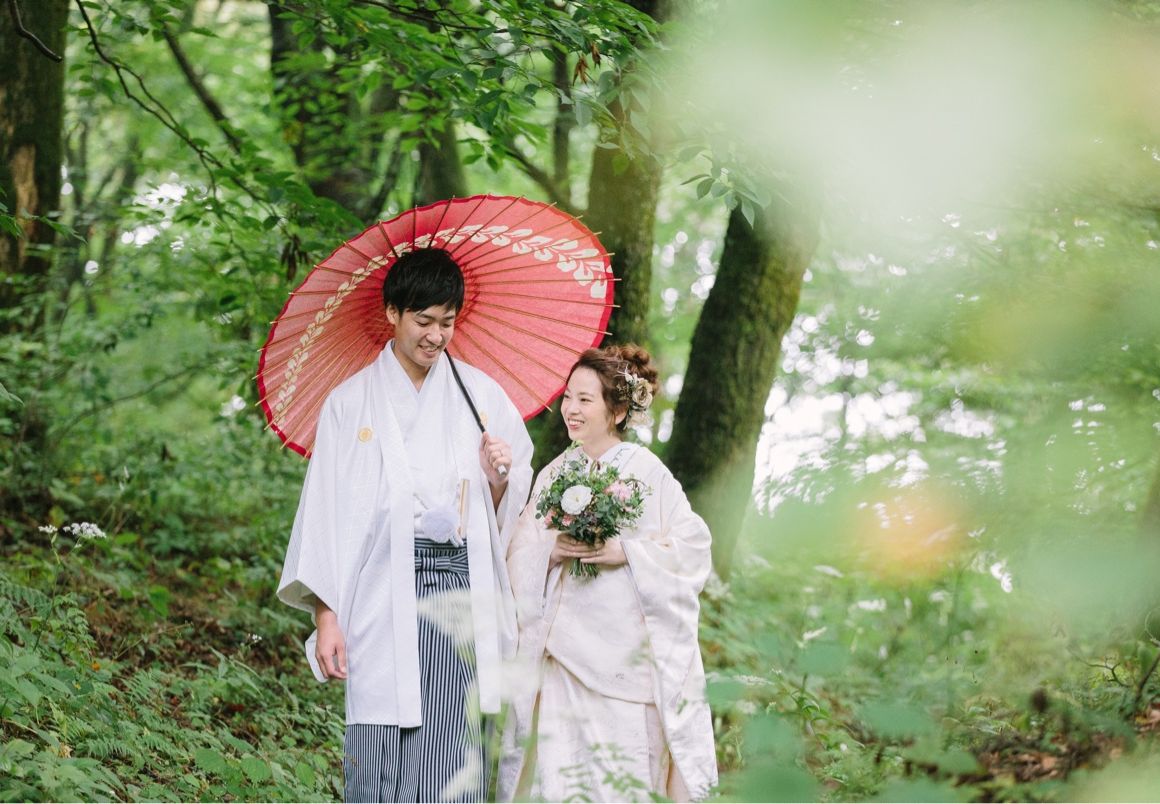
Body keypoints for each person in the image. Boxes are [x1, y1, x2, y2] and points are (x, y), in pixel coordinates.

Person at [277, 248, 534, 803]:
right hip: (379, 592)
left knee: (455, 749)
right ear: (392, 312)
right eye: (424, 320)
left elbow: (506, 511)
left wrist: (497, 478)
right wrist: (326, 617)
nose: (436, 336)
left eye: (448, 322)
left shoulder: (481, 397)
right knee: (381, 740)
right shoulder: (349, 403)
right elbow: (325, 515)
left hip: (460, 592)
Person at [499, 345, 718, 802]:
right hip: (560, 658)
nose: (571, 409)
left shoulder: (648, 473)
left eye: (585, 399)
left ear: (617, 411)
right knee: (558, 785)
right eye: (568, 397)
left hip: (623, 664)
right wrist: (550, 552)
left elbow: (694, 548)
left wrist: (630, 553)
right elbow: (518, 548)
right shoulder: (555, 473)